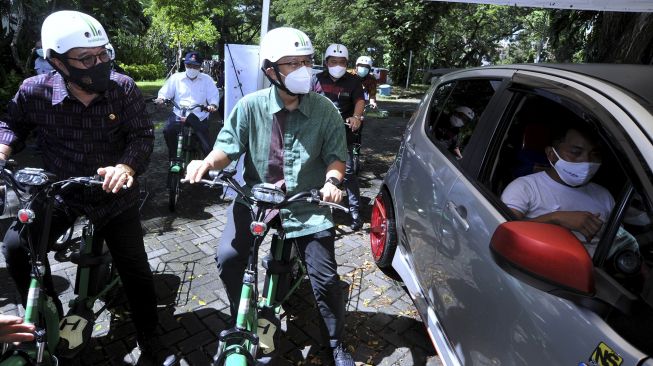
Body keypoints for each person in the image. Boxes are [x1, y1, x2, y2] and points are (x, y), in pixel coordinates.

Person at [0, 11, 175, 365]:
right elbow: (10, 123)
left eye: (103, 54)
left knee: (136, 269)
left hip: (113, 195)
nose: (98, 64)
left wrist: (125, 166)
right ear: (56, 61)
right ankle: (48, 314)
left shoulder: (122, 87)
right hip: (61, 192)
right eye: (86, 58)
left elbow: (142, 136)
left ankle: (150, 334)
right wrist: (2, 149)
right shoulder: (34, 91)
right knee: (17, 245)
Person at [184, 27, 355, 366]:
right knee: (229, 257)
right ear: (270, 70)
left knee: (325, 278)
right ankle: (241, 316)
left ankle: (335, 343)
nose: (304, 69)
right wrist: (206, 162)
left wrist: (333, 180)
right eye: (292, 63)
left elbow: (337, 156)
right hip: (256, 201)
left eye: (307, 61)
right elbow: (227, 148)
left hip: (307, 203)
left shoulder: (325, 110)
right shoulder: (250, 107)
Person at [501, 123, 638, 257]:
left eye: (594, 154)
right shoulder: (524, 187)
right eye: (575, 152)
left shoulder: (604, 195)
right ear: (551, 154)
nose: (586, 160)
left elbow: (619, 242)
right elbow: (503, 234)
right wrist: (555, 218)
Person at [314, 43, 365, 231]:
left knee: (349, 172)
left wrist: (357, 117)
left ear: (347, 63)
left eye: (341, 62)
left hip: (345, 133)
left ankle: (355, 212)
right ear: (326, 62)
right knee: (319, 169)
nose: (337, 65)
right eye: (333, 61)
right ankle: (320, 210)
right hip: (319, 133)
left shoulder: (353, 81)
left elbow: (360, 100)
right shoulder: (316, 79)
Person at [156, 51, 220, 159]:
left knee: (207, 147)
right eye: (188, 65)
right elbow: (165, 93)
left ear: (200, 66)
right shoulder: (176, 78)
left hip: (198, 116)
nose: (191, 68)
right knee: (168, 131)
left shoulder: (207, 80)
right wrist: (161, 99)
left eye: (195, 66)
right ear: (184, 65)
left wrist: (212, 105)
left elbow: (213, 96)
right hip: (179, 114)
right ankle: (174, 157)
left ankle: (207, 168)